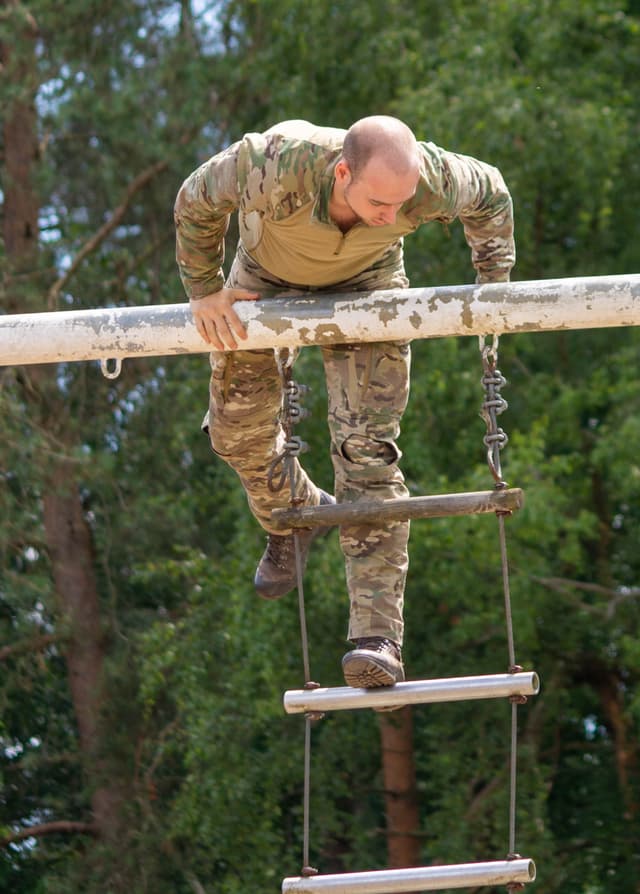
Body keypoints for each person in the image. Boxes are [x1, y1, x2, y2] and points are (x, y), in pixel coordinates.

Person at [174, 116, 515, 689]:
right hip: (264, 281)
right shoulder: (272, 162)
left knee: (367, 454)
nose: (391, 216)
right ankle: (293, 510)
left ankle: (376, 639)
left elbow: (492, 193)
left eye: (401, 204)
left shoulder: (429, 181)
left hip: (368, 287)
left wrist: (494, 287)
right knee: (236, 433)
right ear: (341, 174)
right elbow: (194, 200)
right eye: (378, 203)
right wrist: (204, 290)